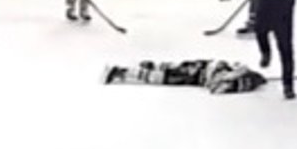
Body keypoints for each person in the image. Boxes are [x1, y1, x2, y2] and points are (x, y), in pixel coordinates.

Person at [219, 0, 297, 100]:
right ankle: (266, 52)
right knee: (261, 33)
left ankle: (288, 86)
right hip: (264, 12)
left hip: (283, 17)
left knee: (286, 51)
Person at [102, 59, 268, 95]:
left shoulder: (236, 82)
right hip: (198, 69)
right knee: (166, 71)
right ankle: (127, 71)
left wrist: (226, 77)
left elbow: (215, 88)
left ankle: (122, 72)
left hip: (196, 75)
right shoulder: (238, 70)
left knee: (161, 76)